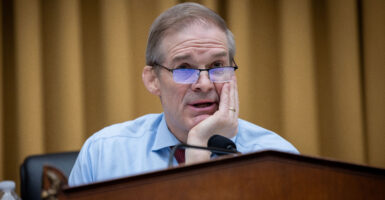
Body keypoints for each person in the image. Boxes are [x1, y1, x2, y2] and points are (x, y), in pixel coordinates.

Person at [69, 2, 298, 186]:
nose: (205, 84)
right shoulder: (103, 153)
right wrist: (199, 148)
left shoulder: (277, 159)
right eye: (184, 69)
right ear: (153, 80)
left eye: (217, 65)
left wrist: (201, 145)